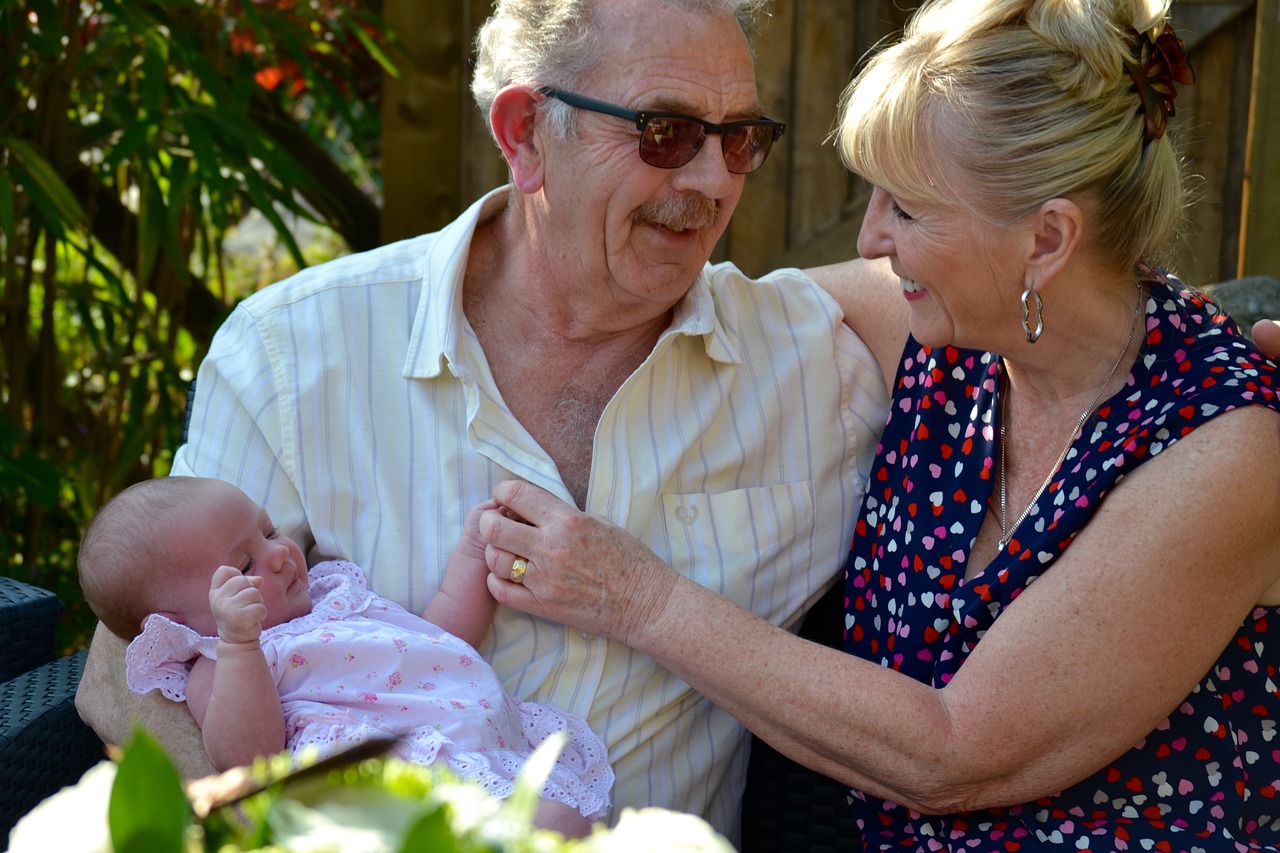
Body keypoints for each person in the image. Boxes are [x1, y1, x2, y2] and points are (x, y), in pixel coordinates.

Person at [74, 0, 893, 840]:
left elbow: (989, 277)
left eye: (739, 138)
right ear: (525, 135)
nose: (716, 181)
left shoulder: (808, 362)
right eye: (666, 133)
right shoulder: (290, 357)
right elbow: (141, 654)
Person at [470, 0, 1280, 850]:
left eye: (908, 208)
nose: (871, 238)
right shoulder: (942, 334)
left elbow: (953, 753)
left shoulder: (1226, 450)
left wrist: (638, 598)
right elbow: (672, 309)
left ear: (1046, 239)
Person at [77, 476, 611, 838]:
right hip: (399, 782)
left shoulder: (335, 596)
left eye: (268, 531)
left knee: (564, 822)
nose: (281, 552)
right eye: (244, 565)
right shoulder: (225, 661)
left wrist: (473, 552)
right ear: (180, 625)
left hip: (481, 746)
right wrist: (239, 642)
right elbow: (245, 756)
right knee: (549, 827)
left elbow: (441, 637)